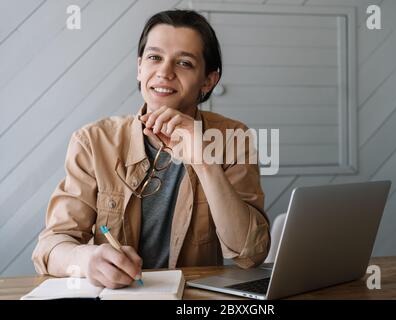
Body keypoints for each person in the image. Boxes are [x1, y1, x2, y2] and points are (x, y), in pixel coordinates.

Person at [32, 9, 270, 289]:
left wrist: (204, 163)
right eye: (154, 58)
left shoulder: (233, 138)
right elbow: (49, 248)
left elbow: (250, 253)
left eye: (184, 63)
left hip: (192, 299)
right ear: (140, 68)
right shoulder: (94, 141)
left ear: (208, 80)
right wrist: (87, 259)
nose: (164, 72)